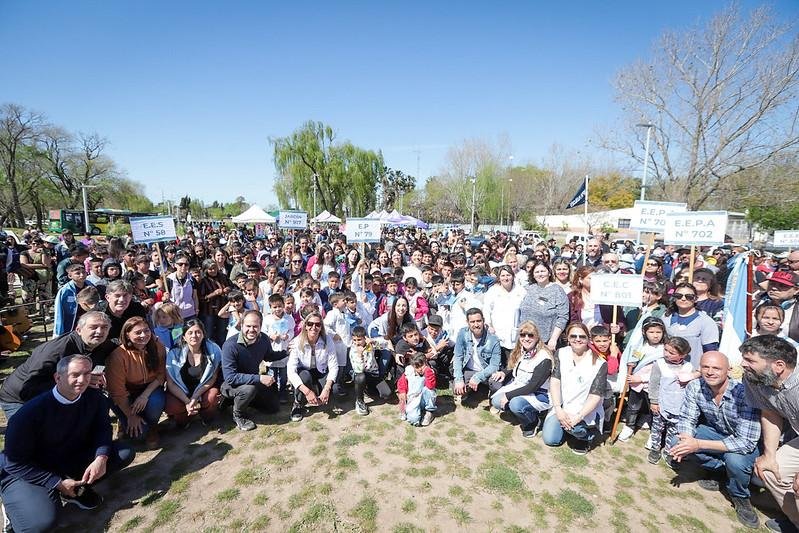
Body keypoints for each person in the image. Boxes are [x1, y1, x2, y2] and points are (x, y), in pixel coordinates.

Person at [0, 355, 135, 532]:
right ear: (58, 377)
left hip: (66, 458)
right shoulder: (28, 415)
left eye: (87, 373)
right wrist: (56, 482)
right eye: (75, 375)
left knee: (123, 452)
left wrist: (100, 458)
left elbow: (103, 429)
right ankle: (15, 509)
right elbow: (14, 463)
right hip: (27, 471)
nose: (82, 380)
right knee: (40, 524)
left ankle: (71, 490)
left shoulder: (95, 398)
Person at [670, 351, 761, 530]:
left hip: (747, 442)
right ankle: (721, 471)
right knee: (677, 441)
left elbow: (745, 442)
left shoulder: (744, 394)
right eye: (705, 367)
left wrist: (698, 445)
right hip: (717, 433)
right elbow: (687, 419)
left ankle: (740, 496)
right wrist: (687, 440)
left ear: (728, 370)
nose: (710, 372)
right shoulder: (695, 386)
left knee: (735, 459)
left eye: (716, 368)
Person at [0, 311, 114, 420]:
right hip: (19, 398)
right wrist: (82, 380)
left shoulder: (100, 346)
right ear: (79, 330)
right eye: (93, 327)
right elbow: (29, 388)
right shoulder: (57, 350)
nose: (99, 332)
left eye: (104, 327)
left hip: (59, 392)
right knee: (30, 435)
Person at [741, 335, 799, 533]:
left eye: (750, 360)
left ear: (779, 365)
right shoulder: (755, 378)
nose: (743, 364)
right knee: (769, 471)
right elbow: (770, 412)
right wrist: (769, 455)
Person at [542, 322, 607, 455]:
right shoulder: (561, 353)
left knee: (576, 428)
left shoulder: (600, 363)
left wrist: (578, 417)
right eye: (573, 336)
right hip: (562, 407)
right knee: (550, 439)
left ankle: (586, 436)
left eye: (582, 336)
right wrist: (558, 409)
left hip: (584, 411)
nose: (577, 339)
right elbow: (555, 381)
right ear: (568, 338)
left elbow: (595, 396)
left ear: (588, 338)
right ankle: (567, 429)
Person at [106, 317, 167, 447]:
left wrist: (145, 395)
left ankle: (152, 428)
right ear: (127, 334)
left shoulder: (157, 346)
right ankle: (124, 420)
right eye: (138, 332)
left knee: (156, 401)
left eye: (146, 330)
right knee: (139, 435)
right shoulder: (118, 355)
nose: (144, 335)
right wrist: (130, 415)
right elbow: (117, 391)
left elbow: (161, 375)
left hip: (150, 388)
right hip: (126, 393)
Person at [488, 321, 553, 437]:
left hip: (539, 394)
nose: (526, 338)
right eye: (523, 335)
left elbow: (532, 387)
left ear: (537, 337)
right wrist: (503, 372)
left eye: (530, 335)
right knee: (496, 401)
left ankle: (533, 422)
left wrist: (508, 395)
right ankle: (522, 414)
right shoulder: (522, 351)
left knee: (515, 404)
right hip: (520, 387)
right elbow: (514, 365)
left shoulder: (544, 358)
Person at [220, 310, 281, 431]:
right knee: (249, 390)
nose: (251, 330)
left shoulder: (263, 338)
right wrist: (260, 378)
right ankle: (238, 415)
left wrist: (286, 352)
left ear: (260, 327)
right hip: (231, 384)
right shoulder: (230, 345)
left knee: (273, 407)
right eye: (248, 326)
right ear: (241, 325)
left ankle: (238, 402)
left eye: (255, 326)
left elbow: (268, 356)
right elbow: (230, 377)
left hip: (251, 380)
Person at [618, 316, 667, 442]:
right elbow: (635, 359)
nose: (655, 335)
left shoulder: (665, 349)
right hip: (636, 383)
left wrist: (641, 378)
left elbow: (661, 371)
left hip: (653, 384)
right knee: (633, 406)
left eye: (658, 332)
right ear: (645, 332)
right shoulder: (641, 346)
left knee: (653, 408)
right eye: (651, 332)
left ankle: (654, 431)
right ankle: (629, 426)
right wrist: (631, 363)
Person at [165, 319, 222, 427]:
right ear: (184, 337)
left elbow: (213, 378)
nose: (194, 336)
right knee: (170, 405)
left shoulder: (214, 350)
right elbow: (171, 383)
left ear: (203, 334)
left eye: (198, 332)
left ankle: (206, 415)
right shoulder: (174, 353)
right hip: (181, 392)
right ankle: (185, 417)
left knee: (212, 397)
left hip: (202, 390)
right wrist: (187, 401)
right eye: (190, 333)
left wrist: (195, 397)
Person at [648, 336, 695, 463]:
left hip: (678, 407)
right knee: (657, 428)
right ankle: (655, 448)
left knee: (673, 431)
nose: (667, 354)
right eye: (665, 350)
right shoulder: (659, 364)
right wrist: (654, 401)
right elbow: (653, 384)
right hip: (661, 404)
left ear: (683, 355)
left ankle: (669, 451)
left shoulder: (689, 367)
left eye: (672, 353)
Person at [287, 310, 338, 422]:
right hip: (304, 371)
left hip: (321, 371)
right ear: (305, 326)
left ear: (321, 327)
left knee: (335, 390)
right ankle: (298, 403)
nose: (313, 327)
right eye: (310, 324)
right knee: (304, 377)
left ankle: (318, 390)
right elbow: (291, 371)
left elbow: (334, 366)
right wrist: (307, 392)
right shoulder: (297, 342)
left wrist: (327, 388)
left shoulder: (327, 340)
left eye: (318, 324)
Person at [452, 308, 501, 404]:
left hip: (486, 371)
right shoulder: (462, 333)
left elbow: (494, 366)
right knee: (456, 388)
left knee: (496, 384)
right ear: (467, 322)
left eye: (479, 321)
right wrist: (459, 379)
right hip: (469, 370)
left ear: (483, 320)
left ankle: (492, 398)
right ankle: (470, 389)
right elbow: (458, 357)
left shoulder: (493, 339)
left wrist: (478, 377)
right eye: (472, 322)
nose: (476, 325)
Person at [665, 283, 719, 370]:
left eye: (689, 296)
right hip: (666, 371)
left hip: (692, 372)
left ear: (695, 299)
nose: (683, 299)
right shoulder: (666, 317)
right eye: (679, 296)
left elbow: (710, 352)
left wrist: (699, 372)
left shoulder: (706, 322)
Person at [483, 265, 526, 363]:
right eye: (503, 276)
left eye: (508, 275)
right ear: (499, 277)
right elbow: (486, 310)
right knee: (499, 361)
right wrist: (489, 325)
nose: (506, 278)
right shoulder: (492, 291)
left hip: (516, 332)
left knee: (514, 361)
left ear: (513, 276)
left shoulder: (521, 291)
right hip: (497, 332)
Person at [53, 263, 93, 338]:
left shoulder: (90, 286)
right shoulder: (65, 291)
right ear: (70, 276)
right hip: (71, 323)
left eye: (84, 272)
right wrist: (58, 333)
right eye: (78, 273)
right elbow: (59, 311)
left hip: (87, 319)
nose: (82, 275)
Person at [396, 352, 437, 426]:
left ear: (426, 362)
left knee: (429, 391)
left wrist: (427, 371)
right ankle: (411, 411)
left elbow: (430, 386)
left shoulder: (430, 371)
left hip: (424, 398)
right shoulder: (409, 372)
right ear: (413, 366)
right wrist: (402, 391)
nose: (420, 369)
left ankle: (429, 411)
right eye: (417, 367)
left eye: (422, 365)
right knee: (413, 420)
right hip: (413, 398)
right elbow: (401, 382)